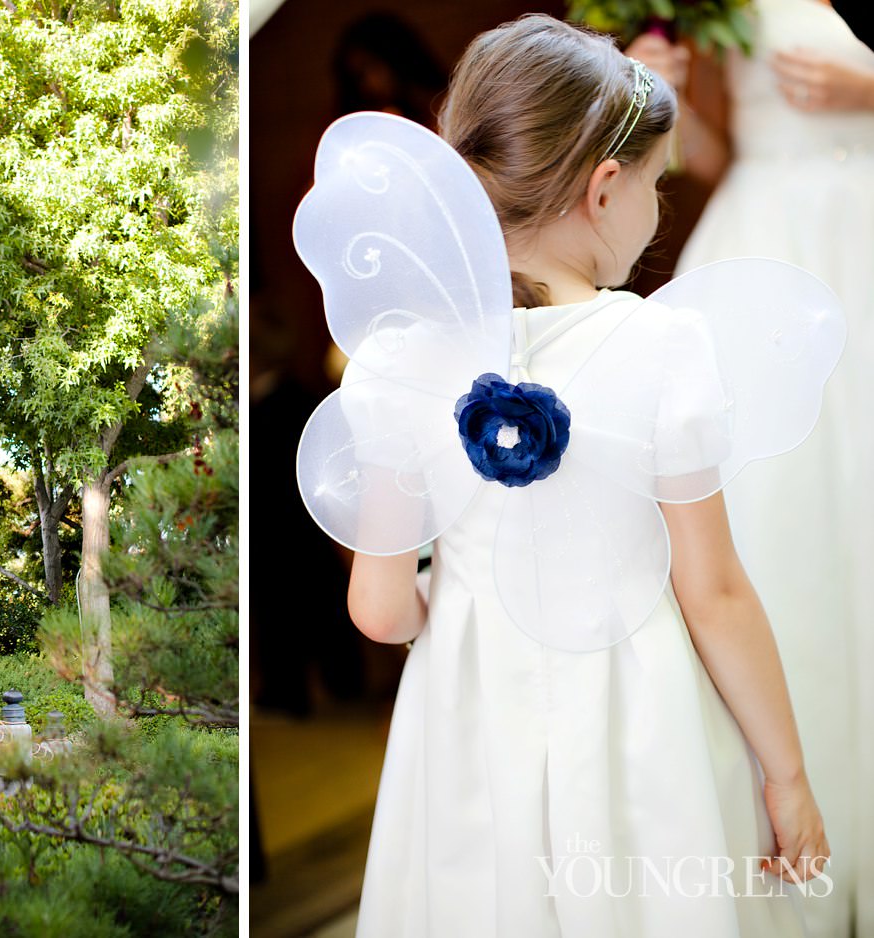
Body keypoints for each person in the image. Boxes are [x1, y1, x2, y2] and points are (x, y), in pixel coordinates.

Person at [308, 16, 831, 935]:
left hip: (469, 727)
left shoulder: (398, 362)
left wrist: (455, 599)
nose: (657, 210)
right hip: (638, 726)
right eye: (656, 185)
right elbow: (713, 593)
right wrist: (787, 775)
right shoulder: (664, 346)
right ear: (603, 188)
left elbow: (379, 610)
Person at [629, 7, 874, 934]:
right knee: (782, 518)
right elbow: (718, 153)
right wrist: (676, 91)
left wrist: (867, 96)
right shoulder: (727, 5)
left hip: (867, 225)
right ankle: (793, 814)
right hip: (772, 234)